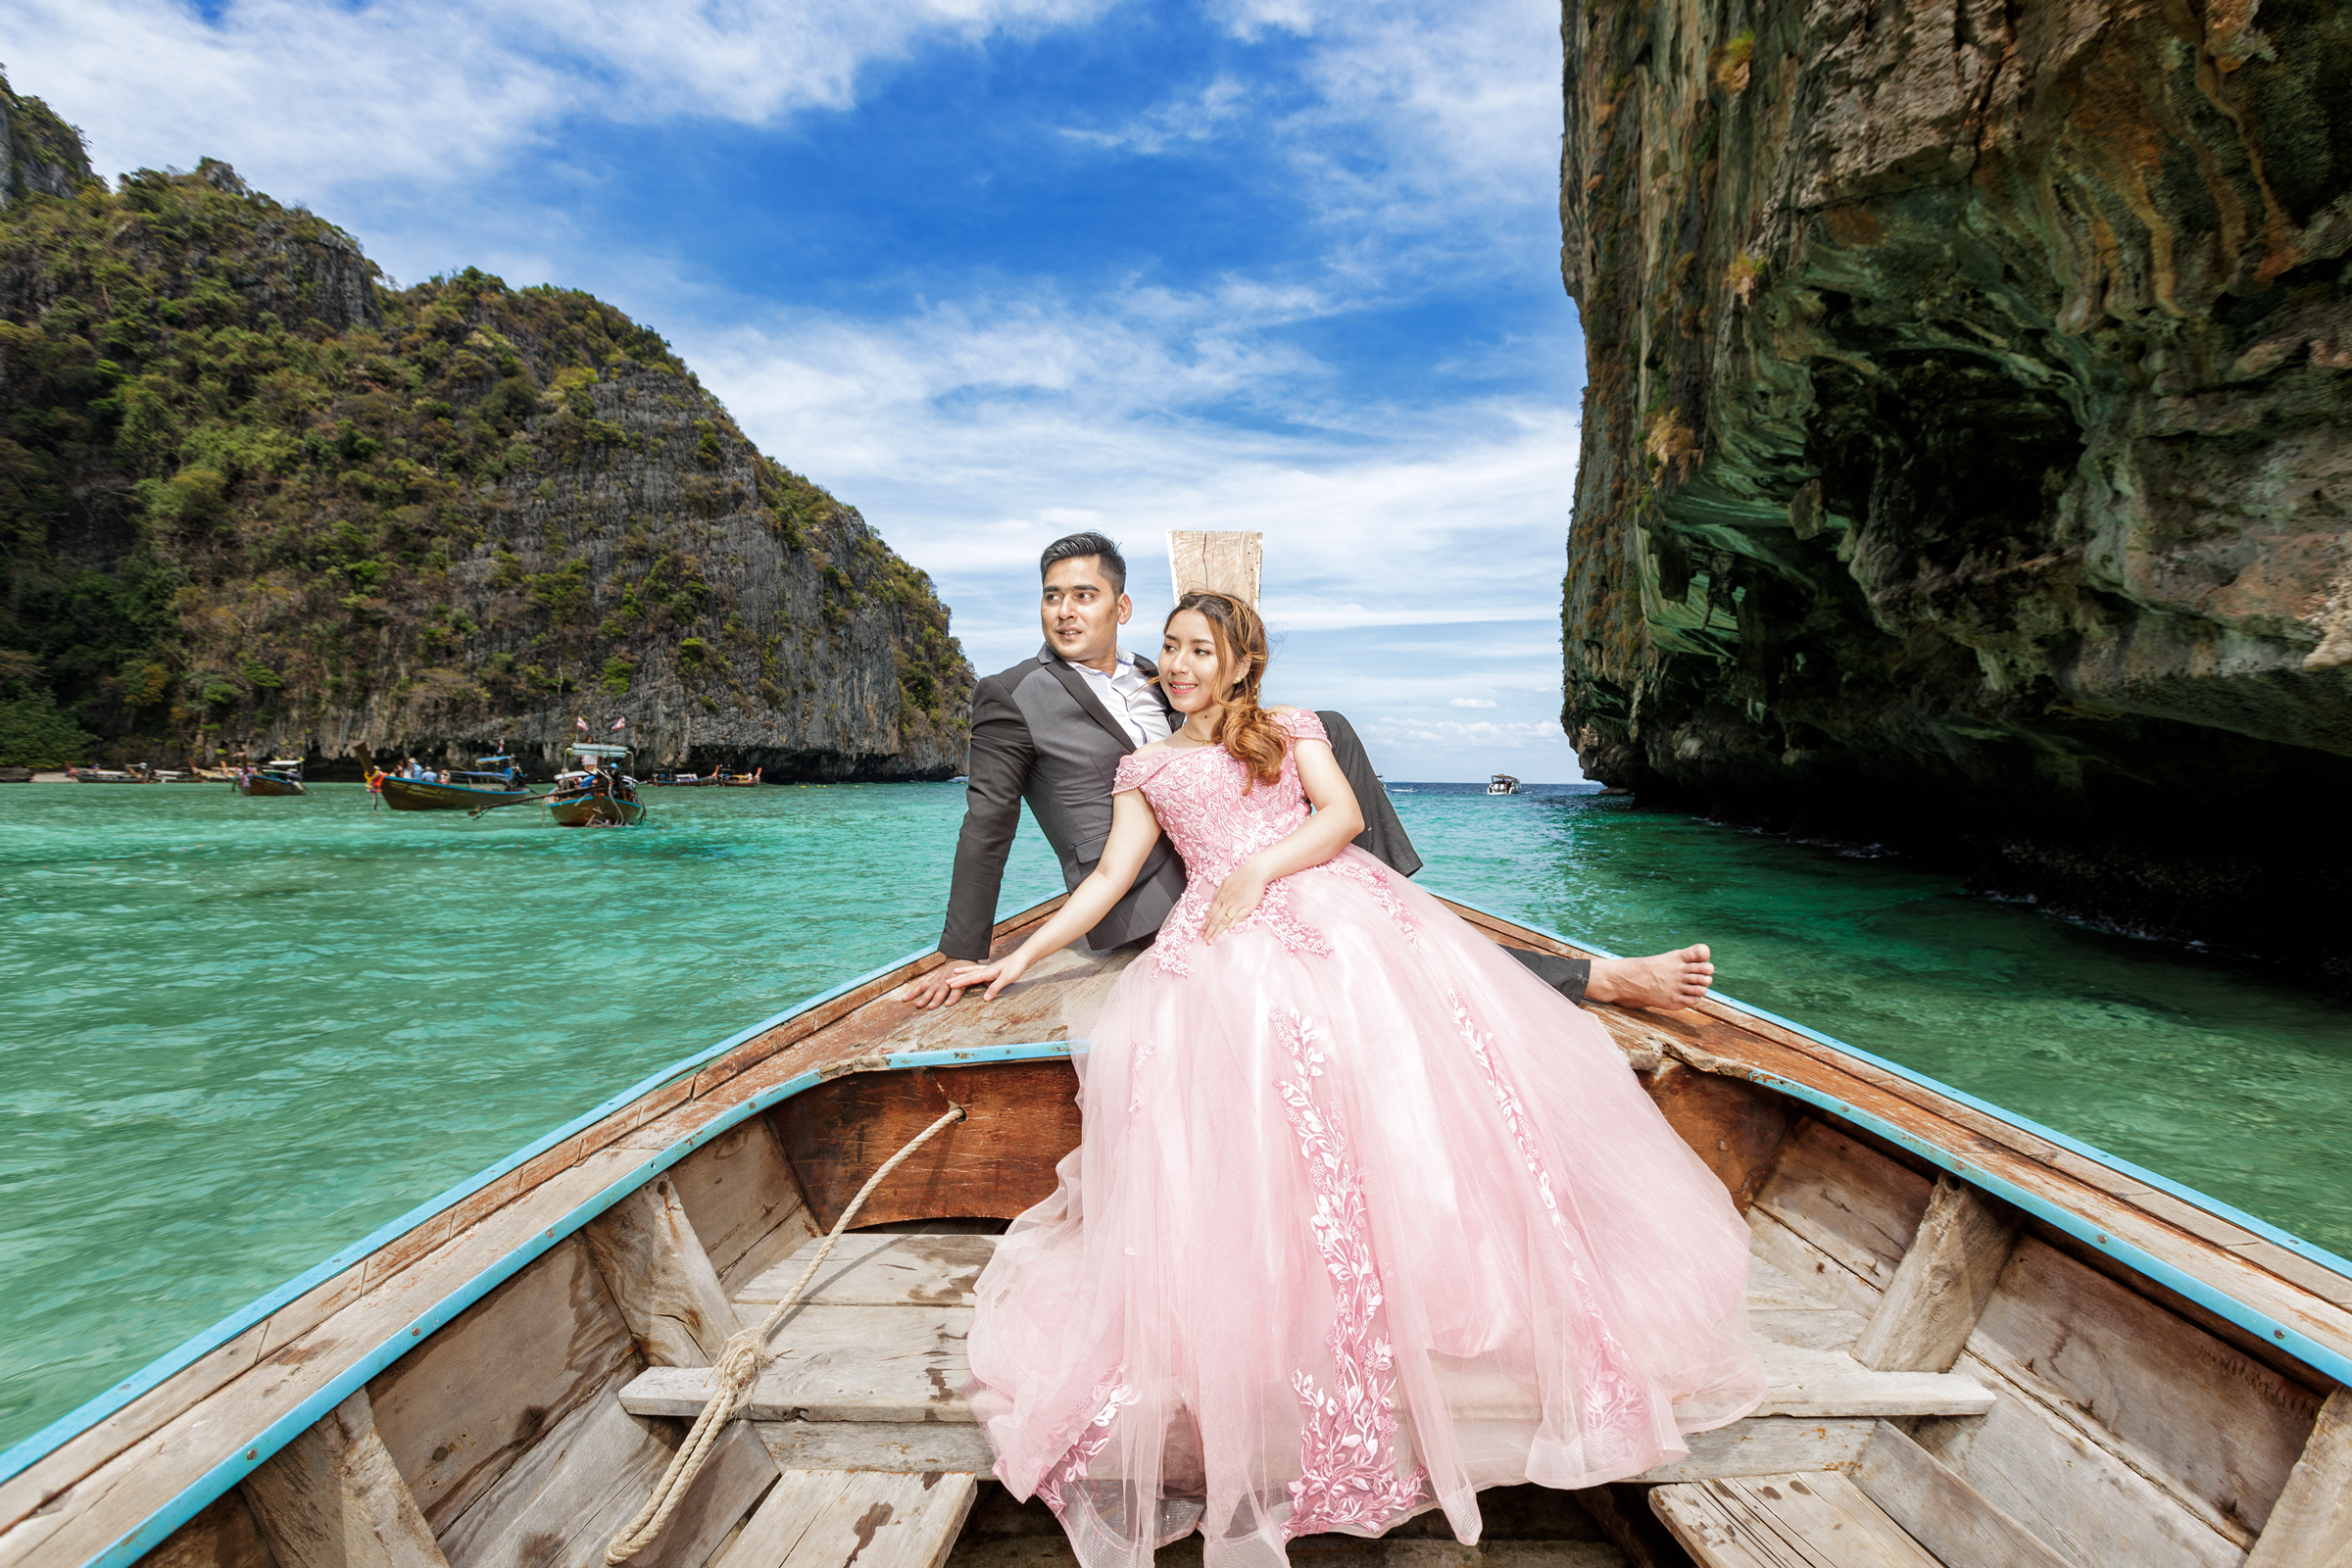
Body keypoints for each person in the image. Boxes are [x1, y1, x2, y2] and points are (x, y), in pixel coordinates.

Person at [940, 592, 1764, 1568]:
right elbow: (1109, 881)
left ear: (1242, 663)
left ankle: (1454, 1276)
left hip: (1330, 904)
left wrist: (1259, 871)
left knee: (1404, 1039)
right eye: (1168, 649)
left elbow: (1339, 816)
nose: (1178, 664)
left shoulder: (1294, 727)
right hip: (1217, 943)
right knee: (1235, 1055)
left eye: (1200, 650)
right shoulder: (1146, 765)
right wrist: (1012, 958)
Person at [907, 532, 1713, 1011]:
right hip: (1146, 893)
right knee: (1361, 944)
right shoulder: (1010, 693)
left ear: (1121, 609)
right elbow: (989, 822)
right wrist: (969, 951)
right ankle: (1539, 958)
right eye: (1052, 597)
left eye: (1085, 596)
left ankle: (1380, 884)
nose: (1066, 612)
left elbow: (1234, 739)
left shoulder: (1167, 670)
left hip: (1247, 861)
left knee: (1330, 734)